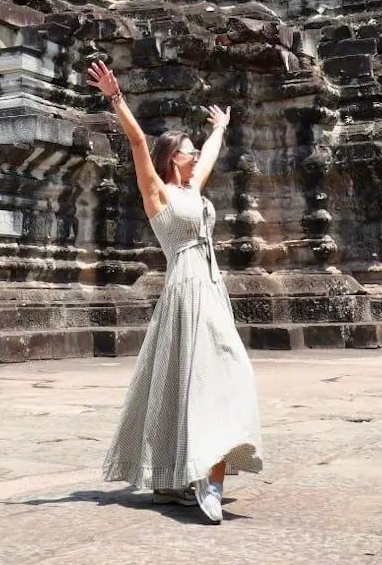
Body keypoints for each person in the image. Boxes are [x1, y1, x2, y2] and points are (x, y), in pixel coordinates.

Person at [87, 57, 263, 525]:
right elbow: (137, 141)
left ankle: (172, 481)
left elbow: (211, 156)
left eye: (194, 151)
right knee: (207, 375)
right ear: (172, 159)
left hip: (210, 286)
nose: (194, 155)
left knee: (210, 373)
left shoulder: (193, 188)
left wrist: (221, 128)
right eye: (187, 151)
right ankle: (206, 476)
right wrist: (115, 97)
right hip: (185, 287)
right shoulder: (158, 193)